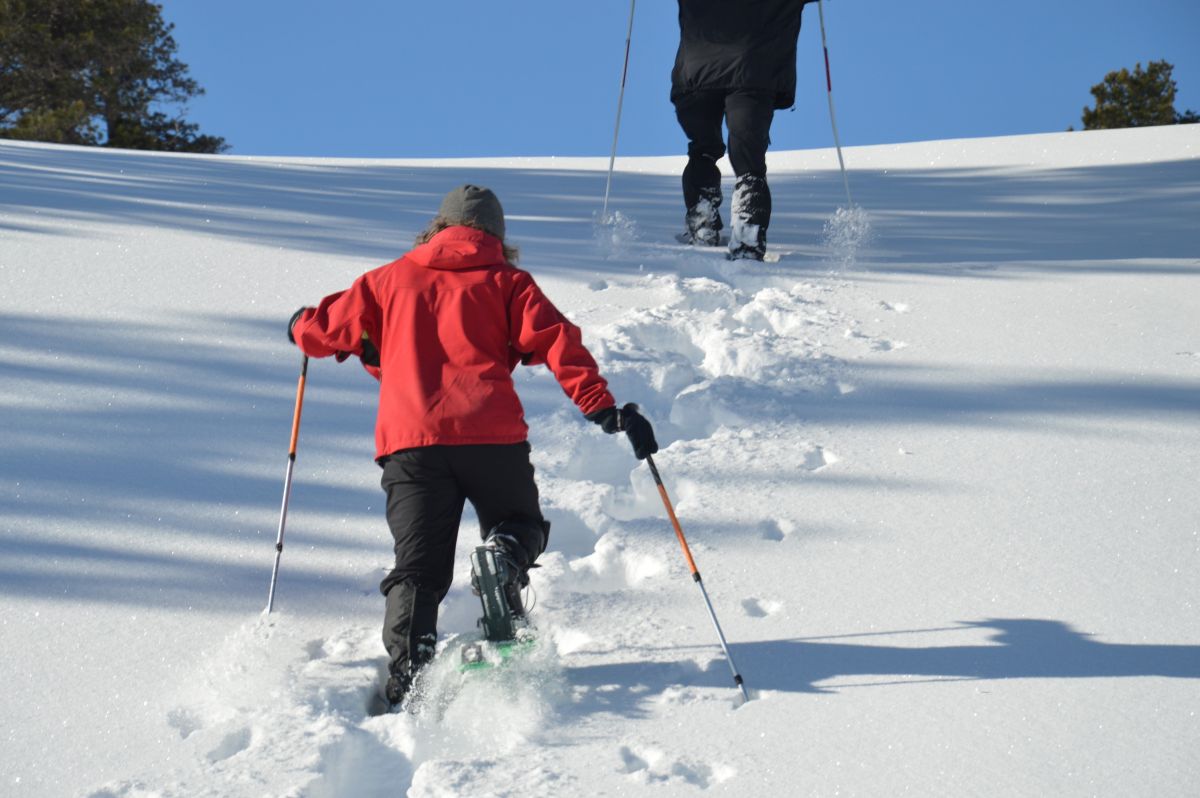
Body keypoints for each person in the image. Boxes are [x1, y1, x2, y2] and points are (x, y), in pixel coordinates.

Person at [287, 185, 658, 708]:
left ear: (437, 228)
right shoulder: (508, 281)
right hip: (491, 435)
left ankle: (410, 672)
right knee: (520, 525)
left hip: (411, 443)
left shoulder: (386, 280)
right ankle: (504, 561)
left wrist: (301, 324)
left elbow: (321, 332)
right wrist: (602, 408)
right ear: (497, 238)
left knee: (418, 566)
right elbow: (558, 341)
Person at [671, 0, 817, 261]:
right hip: (755, 69)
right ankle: (748, 230)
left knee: (703, 149)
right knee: (748, 157)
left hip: (697, 71)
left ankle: (702, 217)